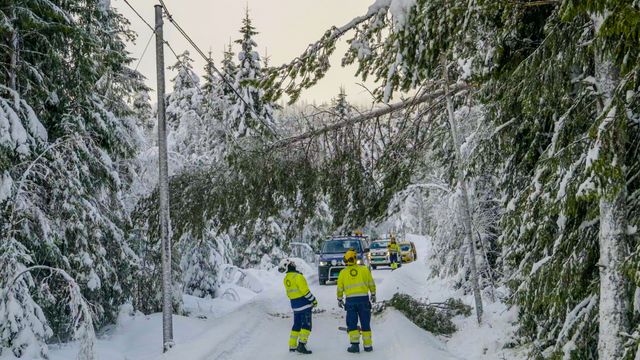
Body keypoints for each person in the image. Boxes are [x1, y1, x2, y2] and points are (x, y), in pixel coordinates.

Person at [337, 249, 376, 353]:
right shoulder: (364, 270)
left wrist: (340, 299)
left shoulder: (343, 273)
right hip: (364, 300)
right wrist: (373, 294)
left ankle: (354, 346)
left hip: (350, 302)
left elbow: (340, 288)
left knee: (352, 324)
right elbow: (371, 283)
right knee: (365, 323)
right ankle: (368, 346)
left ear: (345, 260)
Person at [278, 258, 317, 354]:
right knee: (307, 326)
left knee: (297, 325)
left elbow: (289, 294)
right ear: (289, 266)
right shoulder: (298, 277)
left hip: (295, 306)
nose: (294, 265)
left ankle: (292, 345)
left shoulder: (286, 279)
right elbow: (305, 292)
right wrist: (314, 300)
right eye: (292, 264)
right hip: (304, 305)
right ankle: (302, 345)